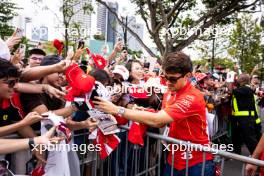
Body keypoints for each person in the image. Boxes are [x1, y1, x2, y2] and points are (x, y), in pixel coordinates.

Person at [93, 51, 215, 176]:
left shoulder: (192, 96)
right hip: (174, 159)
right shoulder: (169, 92)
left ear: (187, 75)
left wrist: (117, 110)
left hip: (197, 162)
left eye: (172, 79)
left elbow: (158, 120)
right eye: (165, 77)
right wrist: (143, 111)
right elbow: (160, 120)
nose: (167, 82)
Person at [231, 74, 262, 154]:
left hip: (245, 118)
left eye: (239, 78)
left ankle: (256, 158)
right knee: (236, 136)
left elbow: (232, 90)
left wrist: (229, 81)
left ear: (242, 80)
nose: (237, 79)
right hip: (239, 118)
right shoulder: (243, 89)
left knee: (249, 139)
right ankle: (237, 153)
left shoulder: (245, 89)